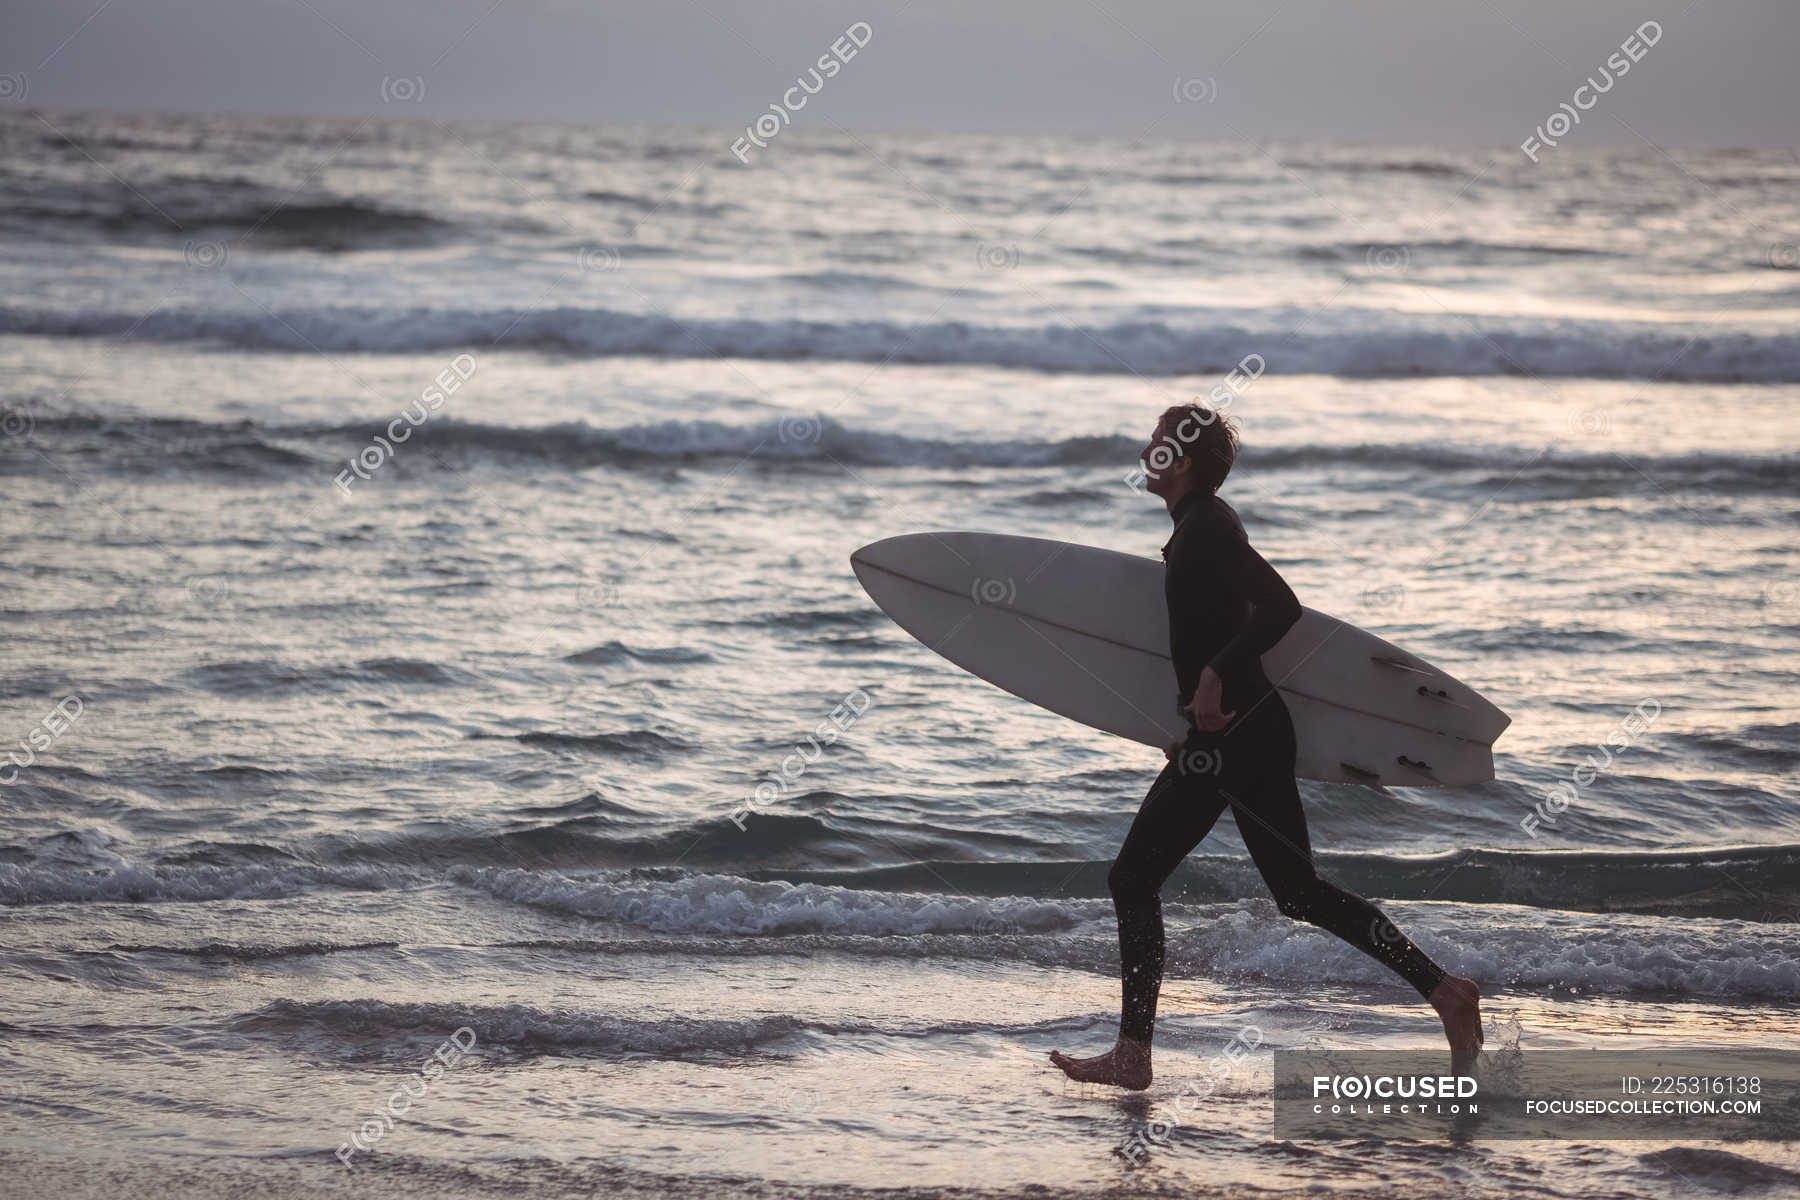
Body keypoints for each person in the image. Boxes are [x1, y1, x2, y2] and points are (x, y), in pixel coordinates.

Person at [1048, 403, 1482, 1091]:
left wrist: (1218, 679)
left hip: (1237, 737)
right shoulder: (1198, 528)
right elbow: (1208, 632)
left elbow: (1281, 607)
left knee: (1132, 879)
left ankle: (1134, 1054)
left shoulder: (1206, 529)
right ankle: (1445, 992)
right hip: (1235, 735)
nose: (1145, 451)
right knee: (1298, 893)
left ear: (1181, 461)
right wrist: (1191, 718)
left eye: (1157, 442)